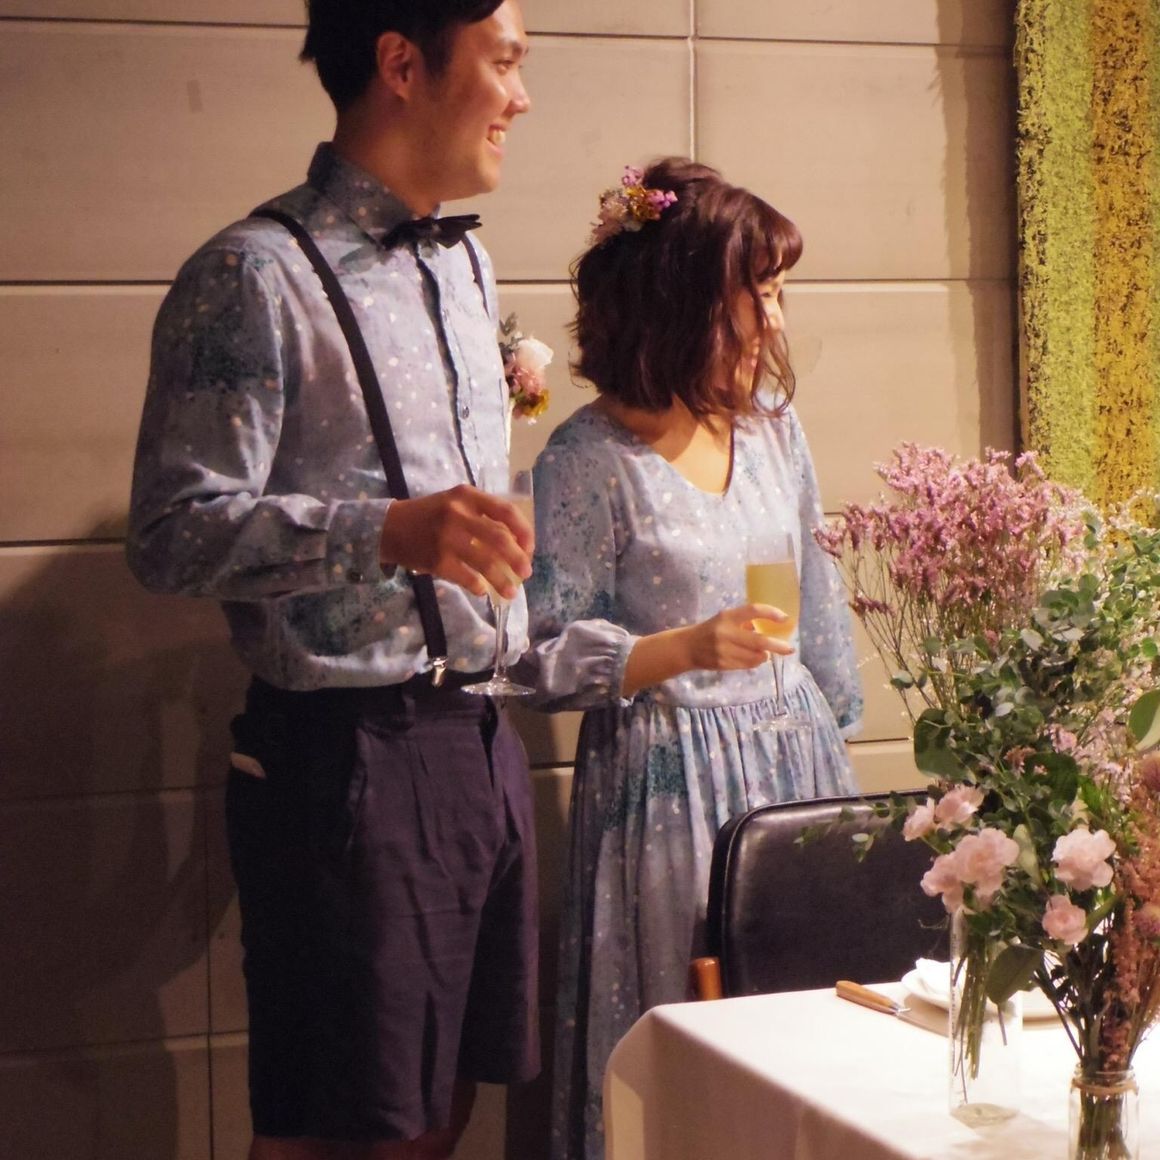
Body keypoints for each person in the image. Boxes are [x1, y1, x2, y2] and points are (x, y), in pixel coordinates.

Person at [126, 3, 538, 1158]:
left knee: (446, 1109)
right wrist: (384, 531)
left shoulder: (463, 263)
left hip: (477, 735)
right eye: (503, 63)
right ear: (402, 64)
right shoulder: (252, 273)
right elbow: (169, 533)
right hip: (345, 754)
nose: (520, 97)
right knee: (345, 1128)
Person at [520, 158, 864, 1160]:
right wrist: (682, 648)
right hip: (665, 787)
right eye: (758, 291)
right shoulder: (587, 460)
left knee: (810, 1031)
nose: (774, 318)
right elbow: (534, 653)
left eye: (778, 291)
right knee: (694, 1037)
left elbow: (817, 600)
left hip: (793, 764)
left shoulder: (772, 431)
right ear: (683, 299)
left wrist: (835, 766)